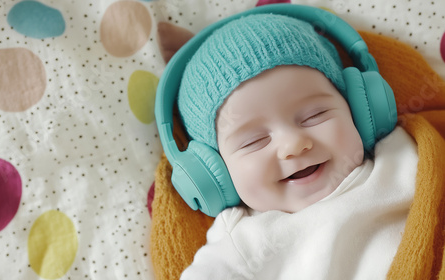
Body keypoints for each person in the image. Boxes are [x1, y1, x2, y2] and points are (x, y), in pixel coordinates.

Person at [176, 13, 418, 279]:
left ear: (362, 110)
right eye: (255, 141)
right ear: (214, 173)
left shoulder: (402, 158)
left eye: (315, 115)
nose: (293, 145)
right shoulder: (244, 242)